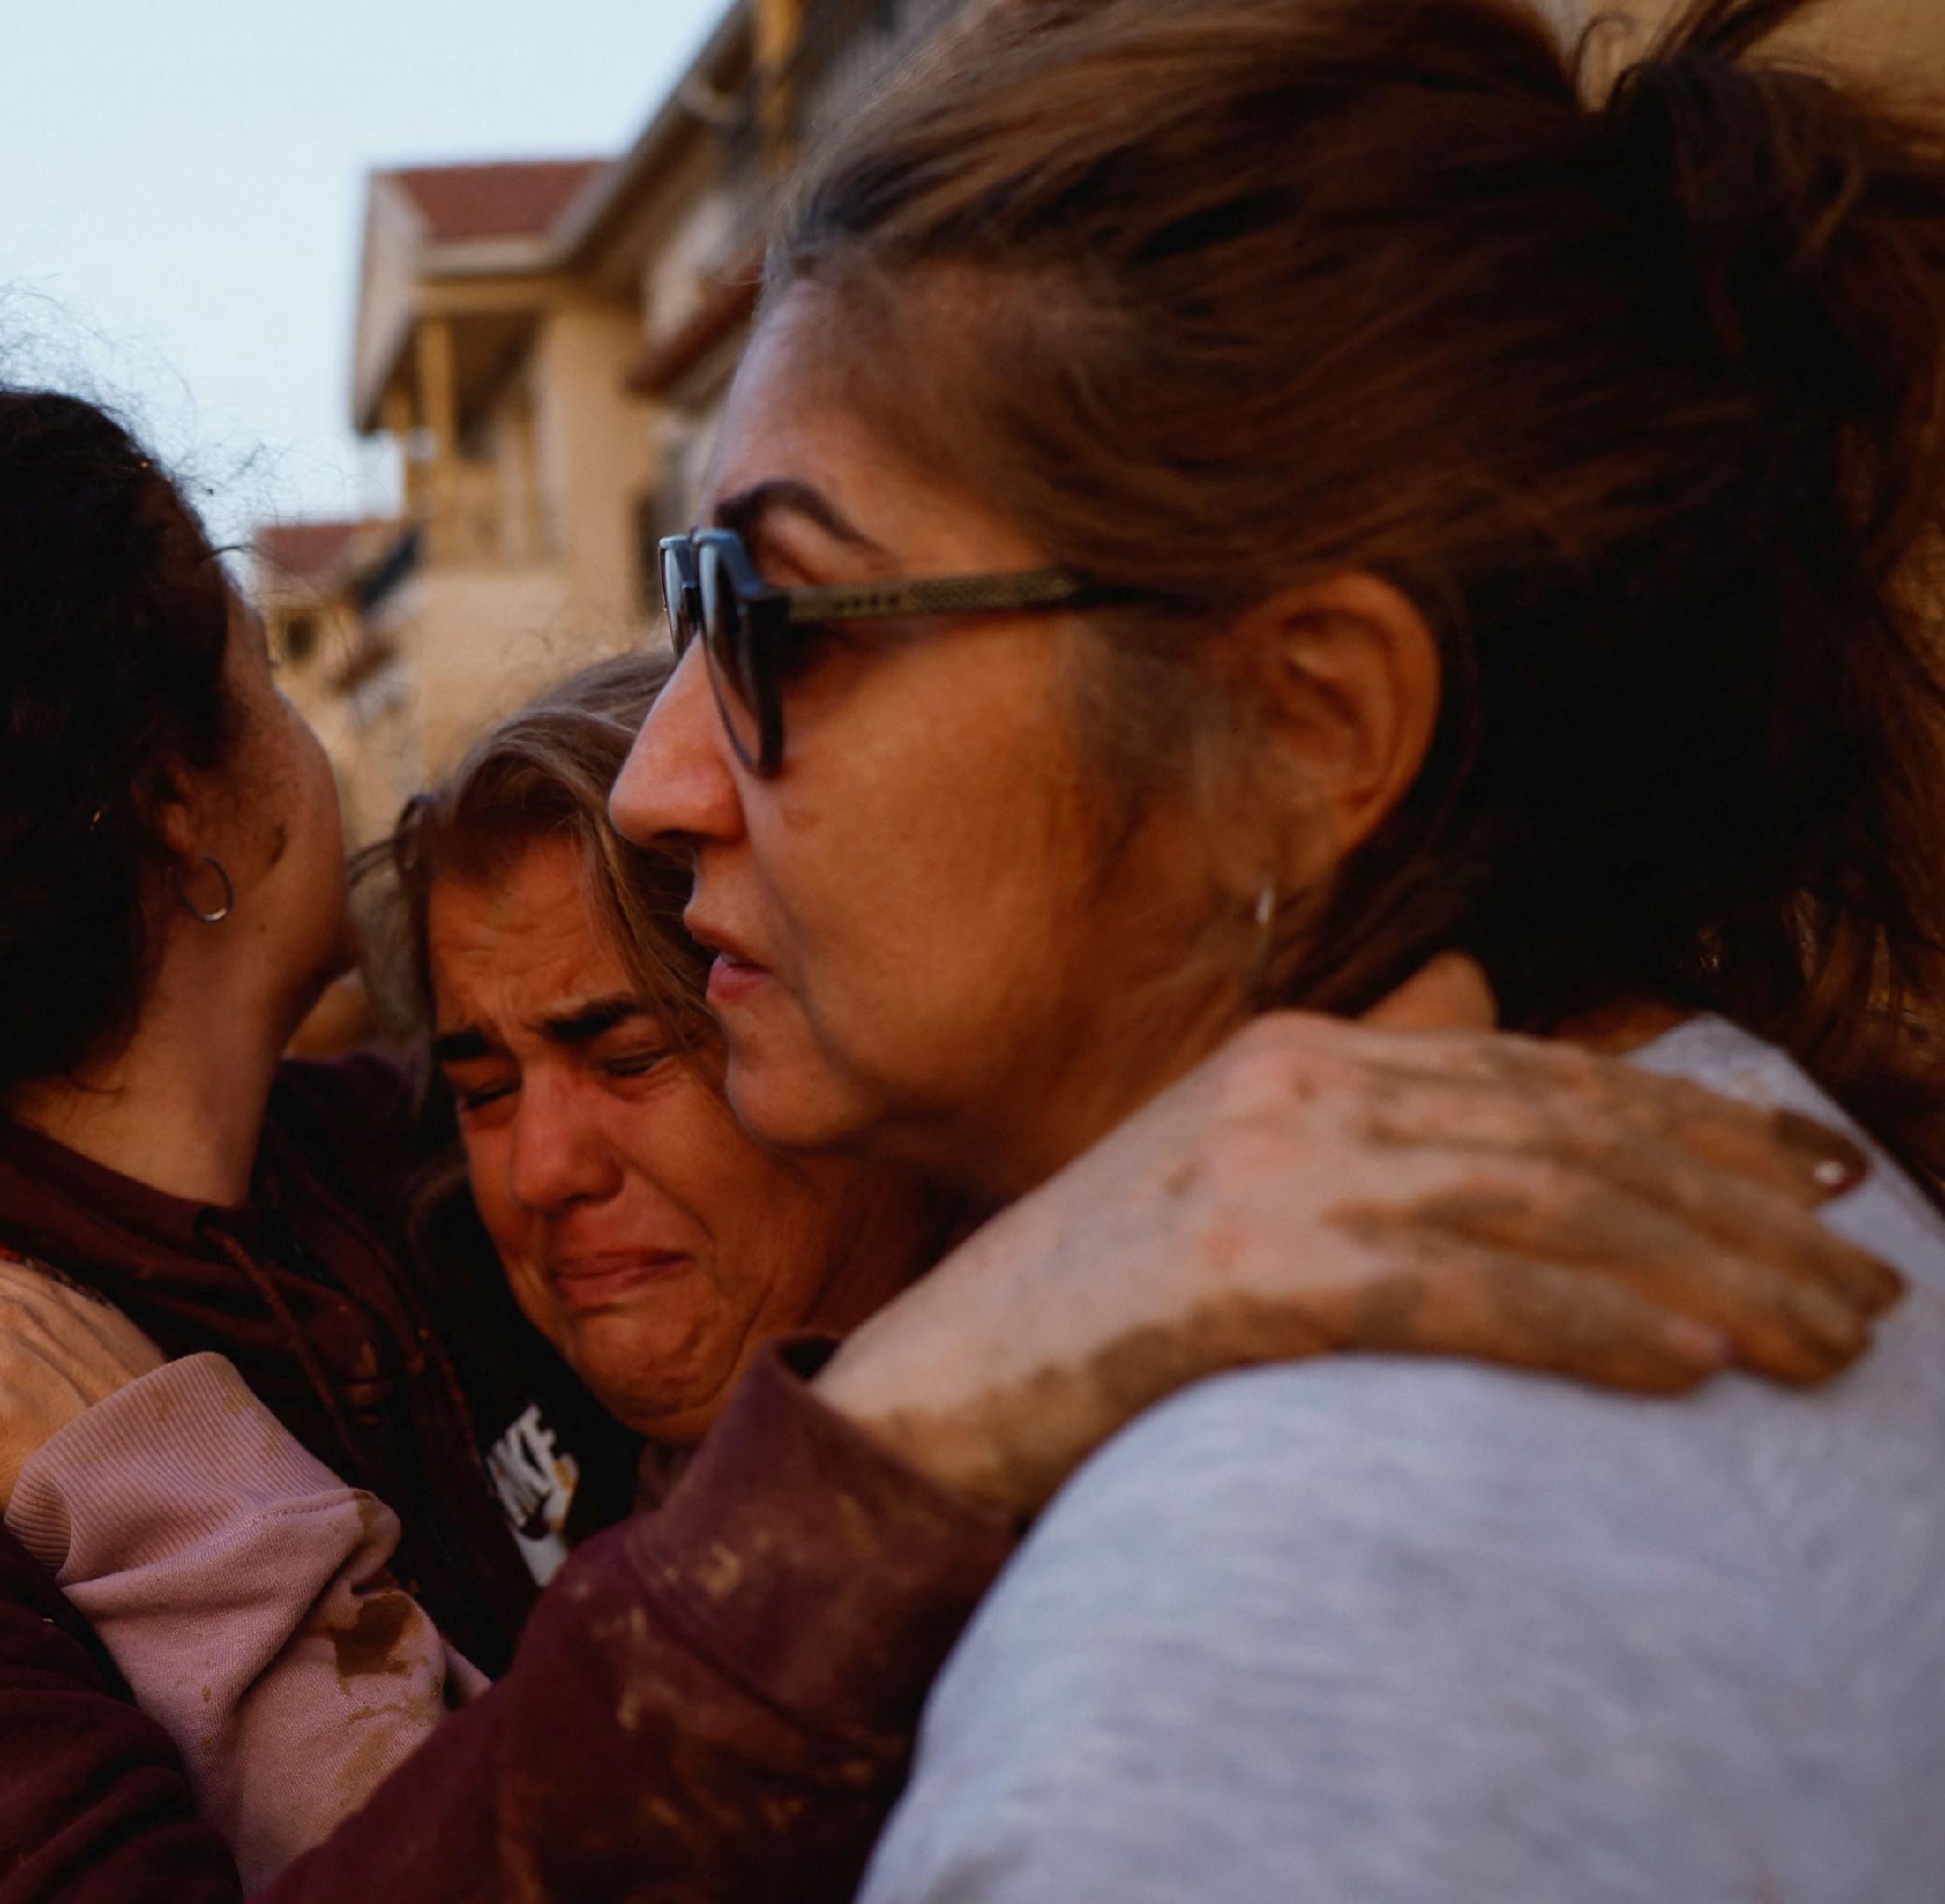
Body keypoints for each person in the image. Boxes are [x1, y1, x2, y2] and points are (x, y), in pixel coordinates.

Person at [0, 374, 1888, 1904]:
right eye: (255, 654)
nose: (559, 1153)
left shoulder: (367, 1193)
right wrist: (942, 1412)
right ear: (181, 813)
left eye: (625, 1059)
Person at [597, 0, 1945, 1895]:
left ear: (1308, 728)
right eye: (686, 605)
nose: (657, 784)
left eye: (779, 610)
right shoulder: (1708, 1198)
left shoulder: (1284, 1647)